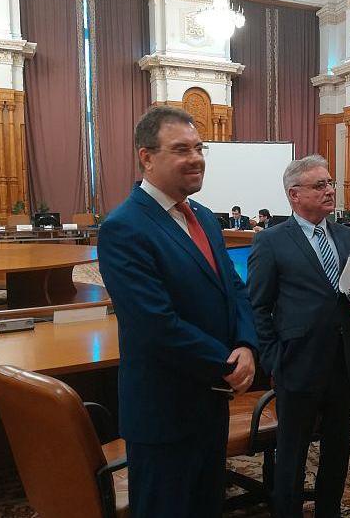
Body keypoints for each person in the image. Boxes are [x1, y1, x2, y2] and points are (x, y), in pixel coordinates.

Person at [98, 106, 258, 518]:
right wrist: (226, 362)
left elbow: (234, 289)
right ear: (147, 157)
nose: (196, 158)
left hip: (211, 403)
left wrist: (246, 344)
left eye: (199, 148)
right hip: (163, 412)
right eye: (181, 149)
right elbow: (155, 324)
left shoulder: (203, 217)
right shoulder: (124, 226)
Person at [247, 155, 350, 518]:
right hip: (297, 365)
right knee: (292, 455)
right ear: (294, 194)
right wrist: (274, 361)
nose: (330, 191)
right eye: (320, 185)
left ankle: (329, 510)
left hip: (346, 361)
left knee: (338, 451)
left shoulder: (348, 235)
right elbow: (258, 307)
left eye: (330, 183)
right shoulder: (271, 241)